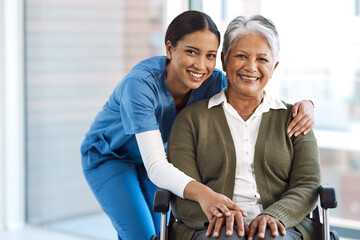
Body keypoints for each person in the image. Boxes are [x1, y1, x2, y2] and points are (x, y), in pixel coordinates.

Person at [80, 11, 315, 240]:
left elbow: (249, 88)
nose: (201, 65)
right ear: (170, 49)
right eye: (192, 52)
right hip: (111, 157)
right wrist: (206, 194)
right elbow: (156, 167)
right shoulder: (140, 86)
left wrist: (307, 105)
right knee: (142, 234)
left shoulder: (212, 81)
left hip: (159, 156)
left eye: (210, 55)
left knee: (157, 232)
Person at [166, 15, 321, 240]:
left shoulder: (296, 119)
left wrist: (275, 215)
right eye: (241, 56)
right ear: (224, 61)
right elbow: (182, 188)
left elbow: (307, 184)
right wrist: (222, 216)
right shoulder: (191, 120)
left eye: (262, 59)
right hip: (209, 227)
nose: (251, 67)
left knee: (269, 236)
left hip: (282, 227)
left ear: (274, 66)